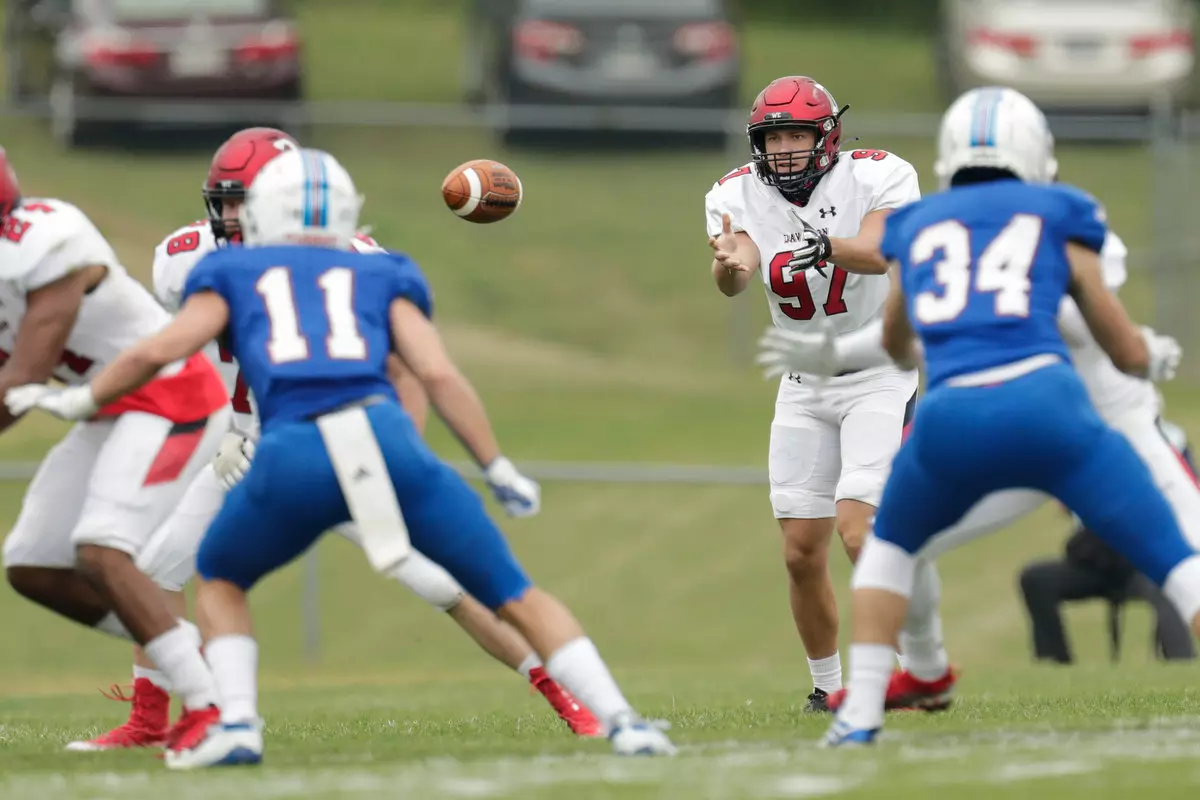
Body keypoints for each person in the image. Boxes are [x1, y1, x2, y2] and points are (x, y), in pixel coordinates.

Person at [6, 147, 677, 766]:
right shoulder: (199, 256)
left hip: (316, 442)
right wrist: (218, 431)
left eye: (249, 199)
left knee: (439, 582)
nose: (234, 216)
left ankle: (569, 700)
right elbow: (181, 349)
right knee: (160, 570)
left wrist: (86, 396)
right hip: (243, 442)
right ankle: (164, 718)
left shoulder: (337, 260)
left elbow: (406, 372)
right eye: (226, 200)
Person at [794, 86, 1200, 747]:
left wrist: (839, 348)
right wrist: (1149, 351)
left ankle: (863, 709)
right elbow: (1107, 337)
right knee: (1181, 559)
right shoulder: (1065, 215)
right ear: (1039, 153)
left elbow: (899, 337)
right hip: (1065, 416)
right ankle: (923, 674)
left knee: (889, 548)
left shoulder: (920, 224)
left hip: (959, 414)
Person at [704, 75, 934, 710]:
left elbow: (883, 250)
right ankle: (827, 688)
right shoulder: (735, 193)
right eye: (773, 137)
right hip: (804, 381)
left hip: (877, 370)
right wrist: (730, 265)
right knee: (801, 551)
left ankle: (917, 667)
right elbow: (740, 267)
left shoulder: (878, 175)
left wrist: (826, 244)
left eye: (796, 135)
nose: (783, 150)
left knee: (859, 531)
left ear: (826, 136)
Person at [0, 147, 230, 747]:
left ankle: (208, 708)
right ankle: (196, 663)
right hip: (109, 410)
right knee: (32, 564)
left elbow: (20, 381)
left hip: (173, 395)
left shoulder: (47, 241)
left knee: (103, 548)